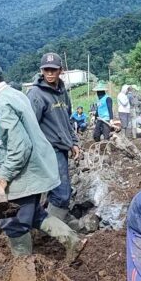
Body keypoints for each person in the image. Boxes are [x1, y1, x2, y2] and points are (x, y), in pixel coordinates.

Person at [0, 56, 84, 262]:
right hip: (35, 166)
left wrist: (5, 175)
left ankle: (23, 268)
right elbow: (14, 135)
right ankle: (72, 240)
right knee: (33, 214)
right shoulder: (14, 94)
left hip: (24, 171)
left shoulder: (1, 103)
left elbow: (20, 146)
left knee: (14, 222)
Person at [26, 52, 82, 222]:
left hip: (62, 148)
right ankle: (52, 230)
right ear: (41, 71)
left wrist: (73, 142)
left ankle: (52, 223)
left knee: (58, 190)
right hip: (48, 150)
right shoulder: (36, 94)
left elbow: (67, 119)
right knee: (62, 193)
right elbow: (29, 125)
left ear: (61, 71)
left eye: (53, 70)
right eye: (46, 70)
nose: (50, 73)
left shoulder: (62, 92)